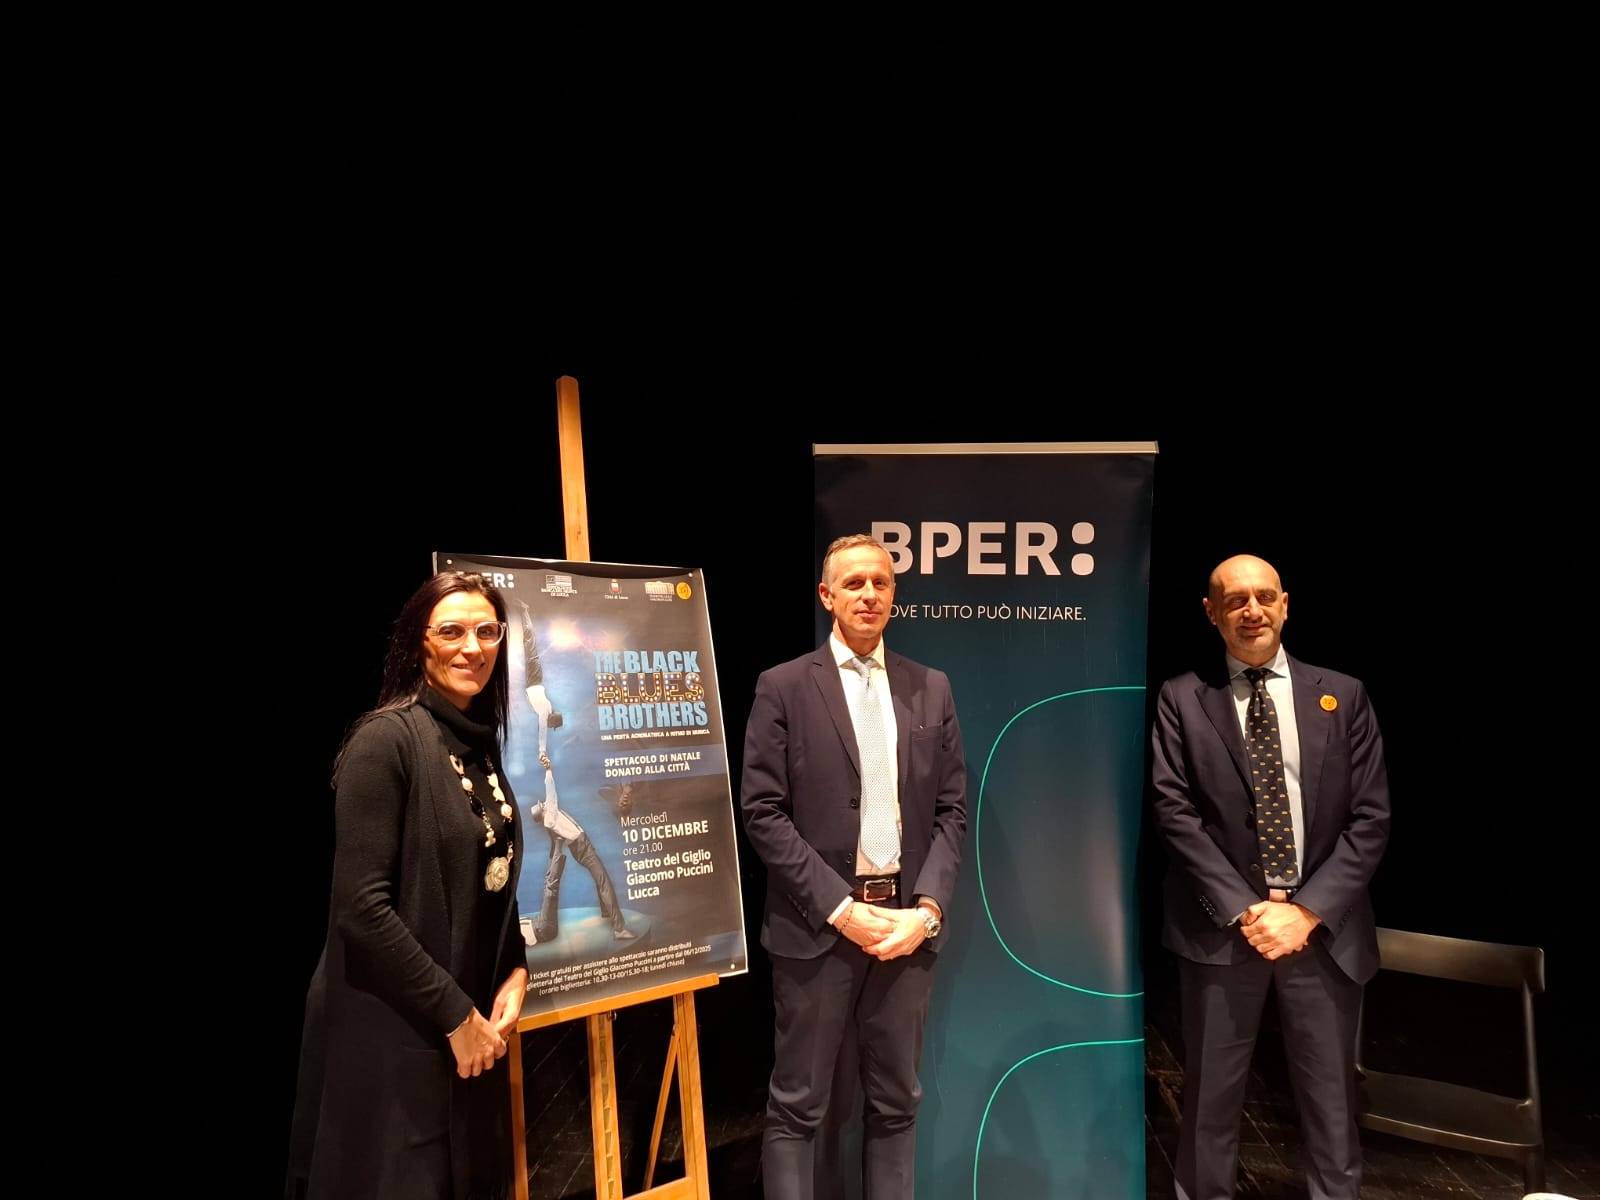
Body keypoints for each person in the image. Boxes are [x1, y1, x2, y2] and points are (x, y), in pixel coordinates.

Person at [1151, 554, 1391, 1200]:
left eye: (1263, 597)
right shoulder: (1183, 698)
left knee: (1332, 1106)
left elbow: (1371, 817)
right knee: (1209, 1106)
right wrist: (1247, 909)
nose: (1251, 610)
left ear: (1285, 604)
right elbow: (1174, 813)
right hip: (1225, 931)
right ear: (1212, 613)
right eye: (1235, 600)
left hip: (1324, 933)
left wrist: (1306, 911)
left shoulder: (1343, 695)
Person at [287, 572, 529, 1200]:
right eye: (451, 631)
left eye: (487, 631)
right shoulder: (384, 741)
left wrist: (515, 967)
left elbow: (491, 866)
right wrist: (455, 1016)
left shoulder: (477, 740)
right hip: (394, 1035)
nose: (472, 647)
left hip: (461, 1032)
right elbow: (361, 910)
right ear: (417, 643)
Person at [741, 533, 968, 1200]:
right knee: (798, 1105)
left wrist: (926, 912)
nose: (869, 594)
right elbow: (762, 811)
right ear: (827, 595)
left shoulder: (931, 687)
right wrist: (841, 909)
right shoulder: (783, 686)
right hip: (818, 926)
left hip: (904, 928)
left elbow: (952, 811)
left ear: (894, 594)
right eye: (854, 583)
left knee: (897, 1104)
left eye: (881, 582)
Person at [515, 599, 634, 944]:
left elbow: (556, 856)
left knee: (568, 878)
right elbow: (543, 737)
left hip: (574, 841)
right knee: (601, 878)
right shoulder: (551, 812)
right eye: (539, 807)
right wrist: (543, 757)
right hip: (582, 844)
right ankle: (618, 927)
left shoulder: (552, 823)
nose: (540, 803)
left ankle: (595, 919)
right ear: (543, 813)